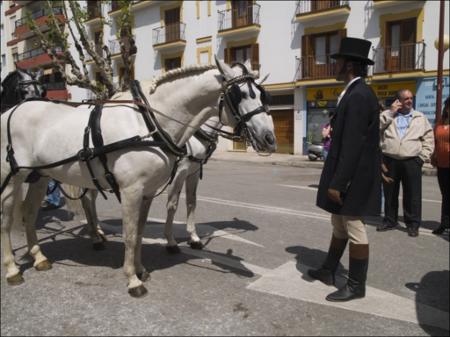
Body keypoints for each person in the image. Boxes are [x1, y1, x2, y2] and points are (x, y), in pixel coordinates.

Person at [309, 37, 381, 302]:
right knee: (338, 222)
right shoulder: (353, 92)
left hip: (353, 178)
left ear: (349, 64)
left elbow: (353, 145)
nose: (335, 65)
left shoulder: (360, 95)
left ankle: (356, 285)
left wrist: (339, 182)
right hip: (347, 174)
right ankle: (329, 270)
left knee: (353, 225)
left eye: (338, 61)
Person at [377, 89, 434, 237]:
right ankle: (390, 220)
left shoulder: (420, 117)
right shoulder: (386, 115)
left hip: (412, 161)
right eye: (405, 98)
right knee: (390, 193)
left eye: (410, 98)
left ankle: (413, 224)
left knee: (413, 194)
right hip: (389, 160)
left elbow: (428, 138)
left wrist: (422, 157)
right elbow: (375, 129)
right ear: (398, 101)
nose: (409, 100)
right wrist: (390, 113)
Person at [431, 96, 449, 235]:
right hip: (442, 164)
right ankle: (444, 223)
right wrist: (434, 156)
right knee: (445, 195)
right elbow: (435, 142)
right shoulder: (439, 123)